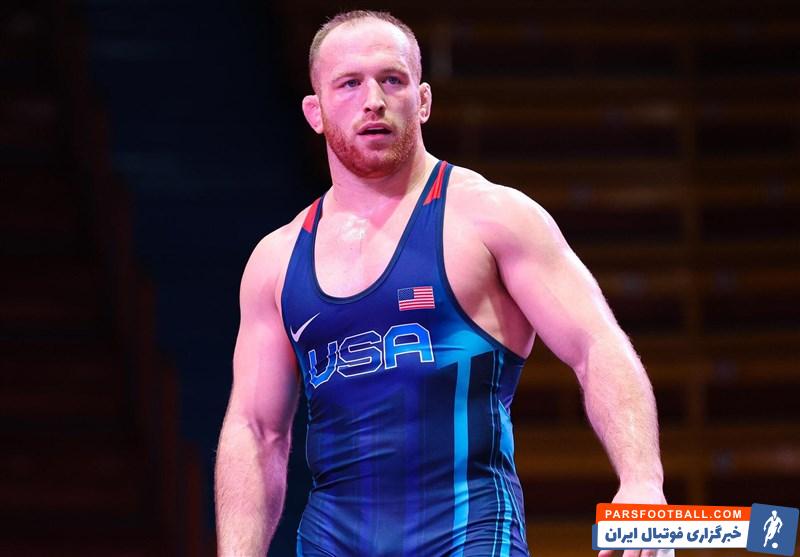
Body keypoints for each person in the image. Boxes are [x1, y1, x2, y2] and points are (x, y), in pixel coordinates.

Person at [215, 10, 669, 557]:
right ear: (315, 111)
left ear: (423, 100)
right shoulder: (277, 260)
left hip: (469, 539)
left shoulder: (491, 218)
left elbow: (596, 344)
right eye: (349, 84)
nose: (373, 101)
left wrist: (641, 481)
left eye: (392, 80)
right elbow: (255, 429)